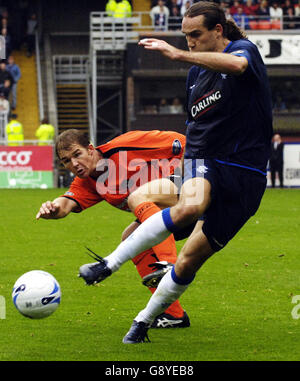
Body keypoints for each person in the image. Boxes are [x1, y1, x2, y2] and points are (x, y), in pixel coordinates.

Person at [78, 1, 273, 344]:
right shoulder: (196, 76)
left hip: (247, 175)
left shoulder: (244, 51)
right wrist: (191, 164)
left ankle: (143, 321)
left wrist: (178, 55)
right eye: (185, 37)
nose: (190, 42)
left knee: (187, 263)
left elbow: (238, 65)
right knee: (187, 205)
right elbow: (195, 125)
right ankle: (109, 263)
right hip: (207, 159)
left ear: (218, 31)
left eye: (195, 35)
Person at [36, 128, 191, 329]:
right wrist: (52, 208)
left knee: (141, 198)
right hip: (177, 211)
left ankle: (169, 266)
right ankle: (173, 314)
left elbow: (183, 142)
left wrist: (180, 177)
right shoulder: (88, 182)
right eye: (66, 161)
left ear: (90, 149)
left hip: (197, 189)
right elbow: (65, 204)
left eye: (77, 154)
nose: (74, 164)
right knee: (131, 237)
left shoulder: (125, 146)